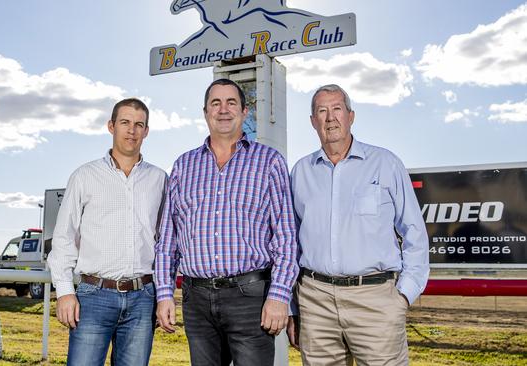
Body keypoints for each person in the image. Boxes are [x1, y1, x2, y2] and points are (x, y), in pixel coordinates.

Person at [155, 78, 298, 366]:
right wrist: (164, 294)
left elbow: (286, 236)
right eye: (215, 103)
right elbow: (169, 239)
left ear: (245, 111)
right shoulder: (184, 166)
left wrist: (280, 295)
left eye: (231, 102)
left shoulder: (268, 161)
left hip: (251, 298)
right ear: (205, 112)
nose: (223, 110)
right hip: (196, 299)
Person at [287, 84, 430, 365]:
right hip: (316, 302)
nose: (330, 117)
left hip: (376, 301)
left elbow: (414, 232)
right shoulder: (300, 172)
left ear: (351, 116)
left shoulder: (385, 164)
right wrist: (294, 305)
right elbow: (291, 242)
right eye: (322, 111)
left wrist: (402, 298)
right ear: (313, 121)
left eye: (337, 109)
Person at [47, 98, 167, 366]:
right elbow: (65, 237)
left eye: (139, 125)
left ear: (146, 131)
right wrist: (65, 291)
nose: (132, 130)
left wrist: (163, 294)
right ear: (111, 126)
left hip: (143, 297)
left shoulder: (159, 180)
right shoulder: (84, 176)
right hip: (94, 296)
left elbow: (165, 240)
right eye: (125, 122)